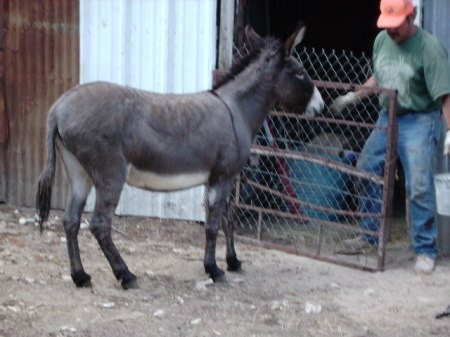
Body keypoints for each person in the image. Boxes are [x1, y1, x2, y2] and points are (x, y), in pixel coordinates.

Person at [333, 0, 450, 273]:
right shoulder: (381, 41)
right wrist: (355, 96)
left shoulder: (429, 49)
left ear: (412, 17)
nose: (391, 32)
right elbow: (380, 74)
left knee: (419, 185)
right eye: (387, 26)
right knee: (365, 168)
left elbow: (445, 93)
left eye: (396, 27)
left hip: (420, 119)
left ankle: (425, 249)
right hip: (388, 117)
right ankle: (370, 235)